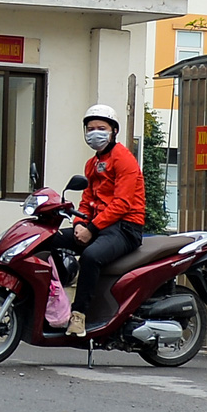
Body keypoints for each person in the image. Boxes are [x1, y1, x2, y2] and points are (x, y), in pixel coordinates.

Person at [65, 103, 145, 336]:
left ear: (113, 131)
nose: (95, 133)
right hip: (99, 225)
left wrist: (90, 228)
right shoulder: (92, 164)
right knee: (51, 241)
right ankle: (53, 302)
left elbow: (122, 203)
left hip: (125, 228)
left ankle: (79, 316)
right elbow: (87, 198)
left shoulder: (124, 159)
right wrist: (79, 223)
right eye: (90, 129)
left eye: (101, 128)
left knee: (90, 256)